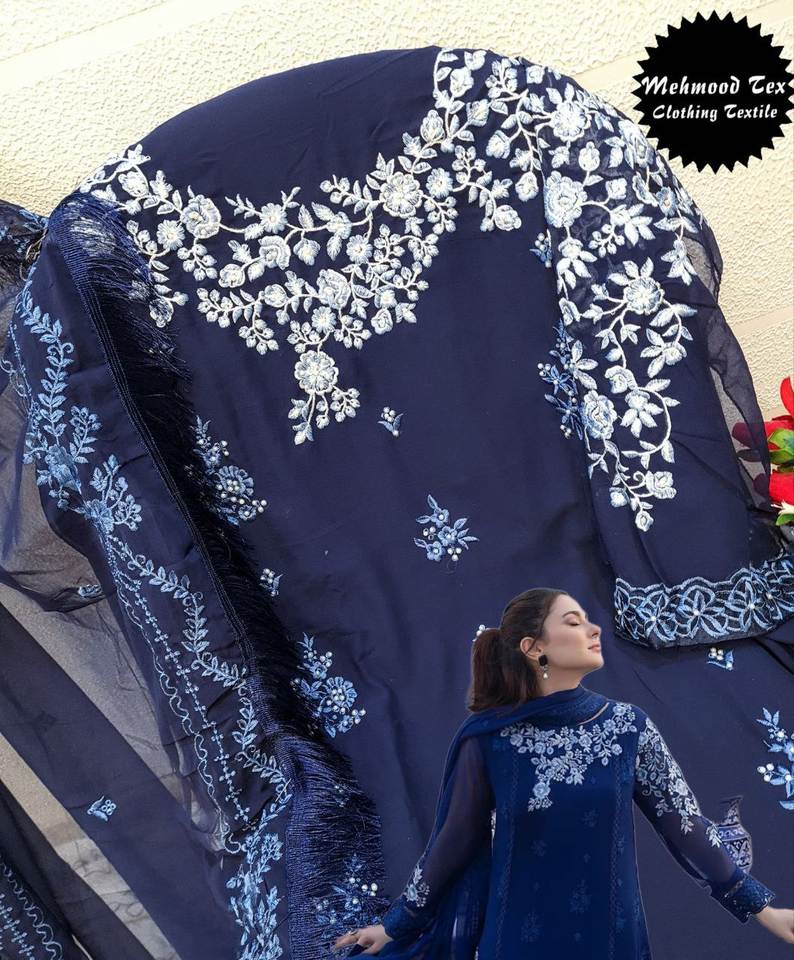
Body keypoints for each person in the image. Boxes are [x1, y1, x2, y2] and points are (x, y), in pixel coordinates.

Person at [333, 588, 794, 958]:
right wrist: (395, 926)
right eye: (573, 622)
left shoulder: (628, 728)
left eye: (588, 620)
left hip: (611, 937)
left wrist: (762, 907)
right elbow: (453, 842)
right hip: (516, 940)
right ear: (533, 648)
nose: (594, 629)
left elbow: (685, 826)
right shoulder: (490, 739)